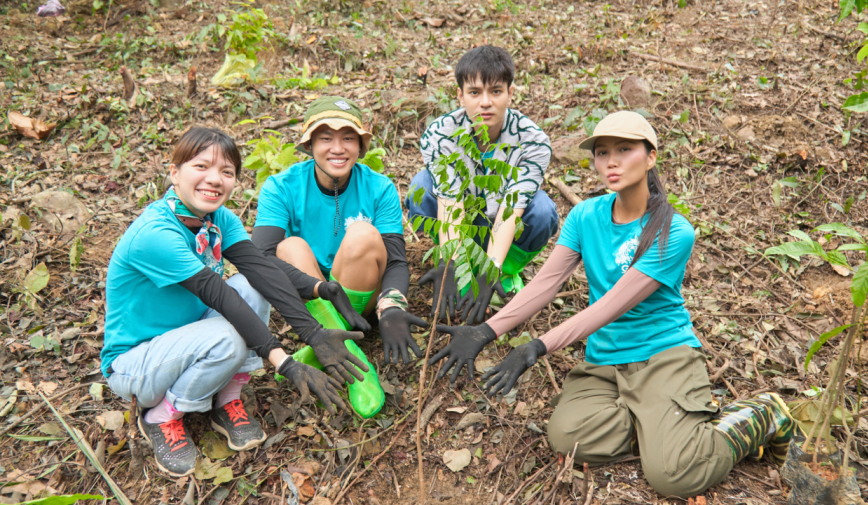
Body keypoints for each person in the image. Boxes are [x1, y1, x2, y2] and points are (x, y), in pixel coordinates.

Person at [428, 111, 800, 498]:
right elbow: (545, 284)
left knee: (674, 476)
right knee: (568, 438)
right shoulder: (585, 215)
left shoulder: (674, 231)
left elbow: (609, 307)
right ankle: (661, 424)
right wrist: (485, 331)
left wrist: (537, 346)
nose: (612, 162)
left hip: (662, 356)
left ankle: (762, 412)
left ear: (651, 156)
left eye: (625, 150)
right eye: (602, 153)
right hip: (605, 363)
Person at [103, 127, 365, 477]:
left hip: (191, 338)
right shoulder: (156, 234)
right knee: (228, 335)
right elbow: (219, 295)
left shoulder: (217, 218)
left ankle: (226, 397)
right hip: (137, 363)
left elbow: (262, 268)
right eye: (202, 167)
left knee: (253, 286)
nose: (215, 180)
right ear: (174, 171)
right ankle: (161, 416)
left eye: (226, 172)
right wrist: (284, 362)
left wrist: (321, 296)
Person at [252, 96, 427, 365]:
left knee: (362, 233)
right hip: (313, 297)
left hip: (360, 296)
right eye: (325, 138)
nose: (337, 149)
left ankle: (336, 342)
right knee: (289, 247)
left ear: (360, 145)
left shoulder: (379, 187)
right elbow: (260, 258)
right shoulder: (281, 187)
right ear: (309, 145)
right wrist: (321, 287)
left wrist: (392, 305)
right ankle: (333, 339)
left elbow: (395, 259)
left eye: (348, 138)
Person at [406, 45, 560, 324]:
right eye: (475, 92)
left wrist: (490, 270)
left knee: (543, 210)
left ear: (511, 94)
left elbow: (513, 207)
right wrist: (451, 263)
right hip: (461, 223)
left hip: (505, 223)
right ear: (460, 96)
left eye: (496, 91)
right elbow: (449, 199)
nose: (485, 102)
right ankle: (464, 268)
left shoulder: (533, 142)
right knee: (421, 187)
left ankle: (505, 270)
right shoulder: (440, 135)